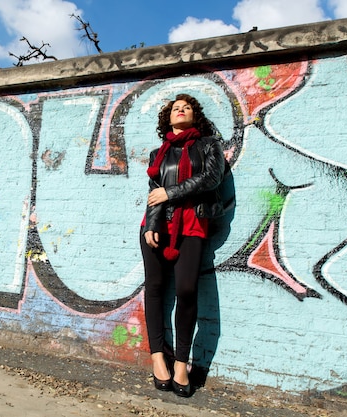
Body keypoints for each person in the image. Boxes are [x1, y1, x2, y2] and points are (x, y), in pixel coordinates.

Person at [140, 93, 225, 397]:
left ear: (194, 116)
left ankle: (180, 362)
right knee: (155, 288)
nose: (180, 110)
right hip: (158, 226)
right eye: (176, 107)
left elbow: (212, 178)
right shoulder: (158, 153)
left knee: (187, 290)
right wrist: (151, 224)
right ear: (168, 117)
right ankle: (158, 358)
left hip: (192, 224)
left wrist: (170, 193)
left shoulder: (208, 145)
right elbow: (153, 192)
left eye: (186, 107)